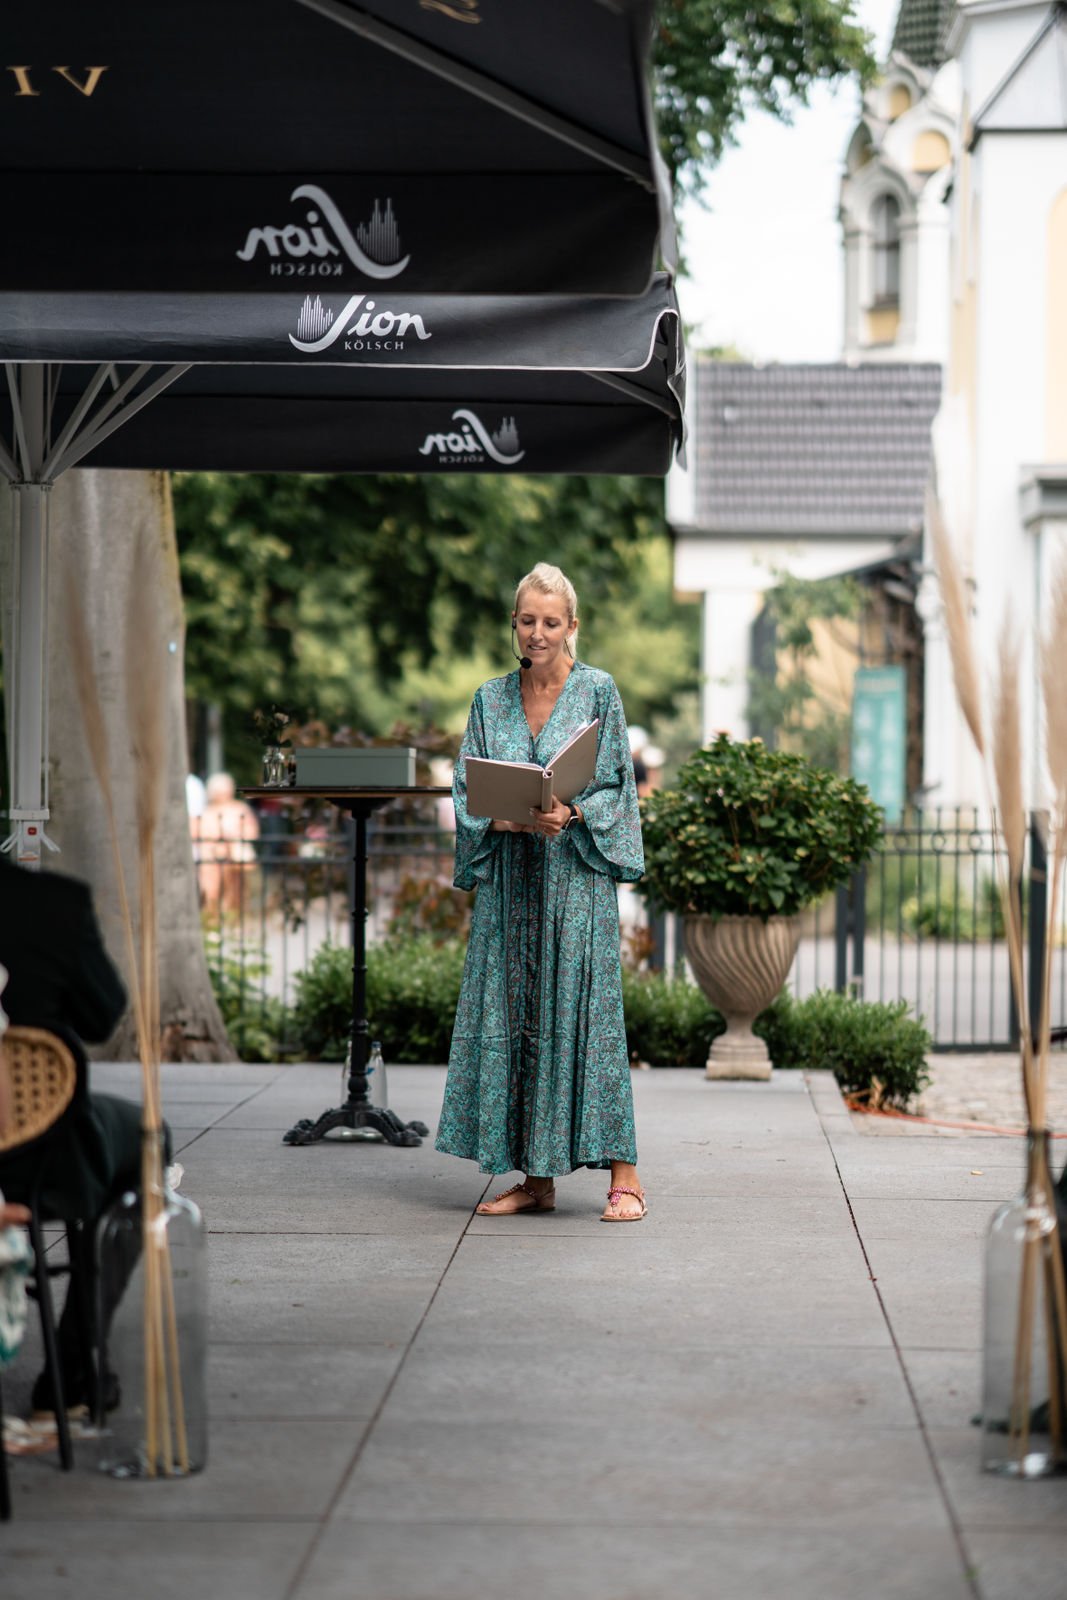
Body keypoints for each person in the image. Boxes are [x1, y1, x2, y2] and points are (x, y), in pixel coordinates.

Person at [435, 563, 647, 1220]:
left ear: (571, 626)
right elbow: (467, 786)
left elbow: (617, 786)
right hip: (510, 892)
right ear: (514, 624)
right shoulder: (487, 699)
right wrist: (493, 817)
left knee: (586, 1022)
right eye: (527, 620)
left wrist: (575, 814)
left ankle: (626, 1179)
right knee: (517, 1021)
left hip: (573, 889)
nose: (537, 633)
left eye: (550, 622)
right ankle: (536, 1180)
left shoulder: (598, 693)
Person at [0, 856, 157, 1417]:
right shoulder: (50, 904)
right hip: (33, 1157)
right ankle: (71, 1374)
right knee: (147, 1139)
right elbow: (101, 1015)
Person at [190, 771, 260, 915]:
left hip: (234, 858)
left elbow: (252, 831)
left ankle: (233, 918)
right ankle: (212, 917)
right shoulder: (207, 811)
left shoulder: (240, 809)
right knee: (210, 889)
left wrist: (234, 837)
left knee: (235, 891)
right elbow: (196, 833)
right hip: (211, 856)